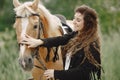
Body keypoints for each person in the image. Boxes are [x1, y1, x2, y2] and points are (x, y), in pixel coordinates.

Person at [21, 5, 101, 80]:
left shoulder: (92, 45)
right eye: (74, 18)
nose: (74, 22)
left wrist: (56, 74)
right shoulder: (76, 35)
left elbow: (83, 73)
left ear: (87, 24)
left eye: (78, 20)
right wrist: (40, 42)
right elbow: (60, 39)